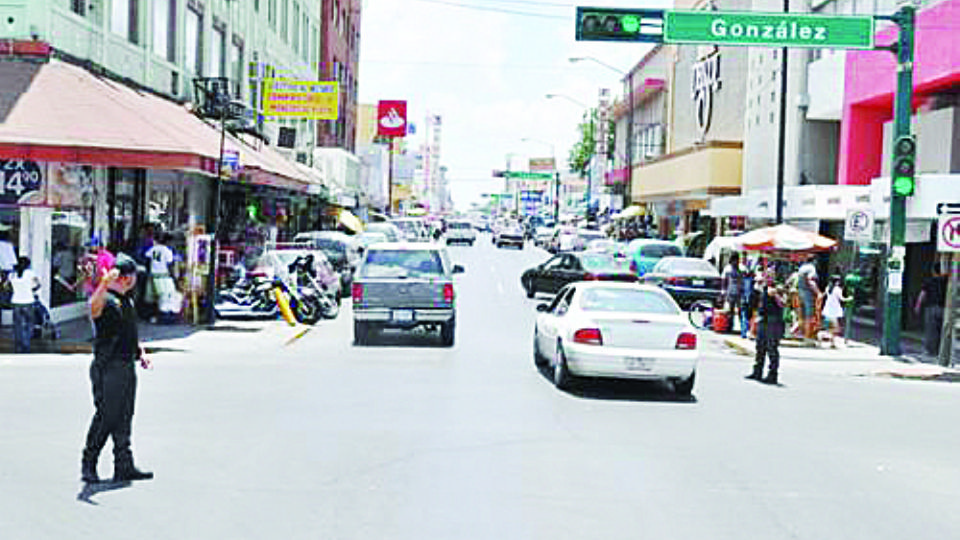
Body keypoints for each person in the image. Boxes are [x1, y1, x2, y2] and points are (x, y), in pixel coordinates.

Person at [81, 253, 153, 484]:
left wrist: (139, 352)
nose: (134, 280)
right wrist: (103, 283)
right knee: (106, 417)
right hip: (108, 367)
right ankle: (89, 464)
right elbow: (92, 309)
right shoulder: (107, 300)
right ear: (125, 278)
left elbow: (128, 333)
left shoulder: (126, 301)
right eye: (132, 276)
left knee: (124, 417)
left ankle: (124, 465)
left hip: (125, 366)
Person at [747, 262, 788, 385]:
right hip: (763, 318)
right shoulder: (762, 287)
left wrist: (775, 295)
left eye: (770, 275)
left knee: (772, 347)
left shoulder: (778, 288)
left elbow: (784, 303)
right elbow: (756, 302)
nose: (768, 277)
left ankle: (772, 374)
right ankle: (757, 371)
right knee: (760, 347)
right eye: (766, 275)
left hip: (774, 320)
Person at [145, 233, 180, 324]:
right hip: (164, 275)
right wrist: (174, 277)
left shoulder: (153, 249)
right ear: (167, 241)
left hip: (154, 275)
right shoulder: (167, 251)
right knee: (167, 295)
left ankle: (157, 315)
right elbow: (170, 265)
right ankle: (165, 315)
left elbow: (147, 259)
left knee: (158, 296)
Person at [914, 264, 948, 357]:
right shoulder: (946, 282)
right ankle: (940, 350)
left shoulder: (929, 281)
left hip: (931, 307)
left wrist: (917, 306)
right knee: (941, 330)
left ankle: (930, 351)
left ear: (933, 271)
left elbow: (922, 294)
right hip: (944, 309)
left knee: (930, 330)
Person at [9, 257, 39, 353]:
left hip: (16, 302)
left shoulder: (12, 275)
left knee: (18, 325)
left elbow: (8, 287)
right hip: (28, 301)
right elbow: (37, 285)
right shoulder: (31, 274)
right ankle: (26, 344)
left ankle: (18, 346)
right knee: (29, 324)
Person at [797, 255, 821, 344]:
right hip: (807, 293)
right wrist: (818, 292)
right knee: (809, 316)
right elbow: (811, 280)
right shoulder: (811, 268)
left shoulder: (802, 267)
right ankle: (807, 337)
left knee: (802, 315)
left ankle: (802, 334)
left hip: (800, 291)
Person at [821, 275, 849, 348]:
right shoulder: (837, 289)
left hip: (828, 308)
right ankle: (831, 341)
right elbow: (842, 299)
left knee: (831, 326)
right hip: (834, 309)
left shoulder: (828, 288)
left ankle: (831, 341)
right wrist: (849, 298)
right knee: (835, 327)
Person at [720, 252, 743, 335]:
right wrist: (723, 291)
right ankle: (729, 327)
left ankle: (742, 328)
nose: (736, 262)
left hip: (739, 292)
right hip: (730, 292)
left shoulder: (741, 268)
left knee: (740, 310)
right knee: (730, 311)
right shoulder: (728, 269)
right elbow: (724, 280)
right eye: (735, 260)